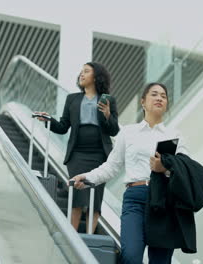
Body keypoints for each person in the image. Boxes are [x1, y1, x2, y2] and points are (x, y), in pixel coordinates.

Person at [71, 83, 190, 264]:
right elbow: (112, 165)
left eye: (163, 96)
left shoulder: (175, 135)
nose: (159, 98)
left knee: (160, 261)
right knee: (131, 257)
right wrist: (88, 177)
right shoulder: (128, 132)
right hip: (135, 198)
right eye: (154, 94)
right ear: (143, 102)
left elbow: (185, 169)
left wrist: (164, 168)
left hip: (164, 200)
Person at [35, 62, 119, 232]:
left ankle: (89, 237)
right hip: (77, 154)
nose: (81, 74)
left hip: (100, 155)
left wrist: (108, 115)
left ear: (96, 77)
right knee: (78, 195)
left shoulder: (108, 100)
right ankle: (73, 236)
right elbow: (63, 126)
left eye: (86, 71)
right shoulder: (72, 99)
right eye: (81, 71)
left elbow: (114, 130)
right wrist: (49, 120)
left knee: (95, 198)